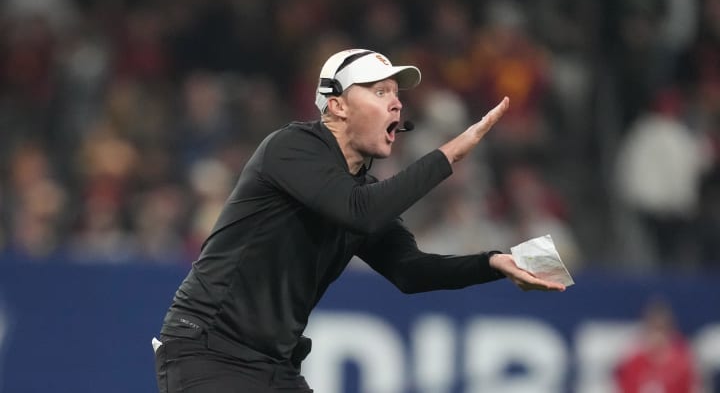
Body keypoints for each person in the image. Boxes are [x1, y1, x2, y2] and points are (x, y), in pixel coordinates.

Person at [152, 48, 566, 393]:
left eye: (397, 94)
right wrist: (450, 154)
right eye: (379, 90)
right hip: (208, 351)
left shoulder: (359, 191)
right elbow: (361, 213)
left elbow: (410, 272)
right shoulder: (291, 147)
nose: (397, 102)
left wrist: (492, 262)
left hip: (272, 366)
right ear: (336, 105)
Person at [614, 299, 699, 393]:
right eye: (654, 329)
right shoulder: (633, 363)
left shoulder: (682, 365)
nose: (658, 336)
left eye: (662, 330)